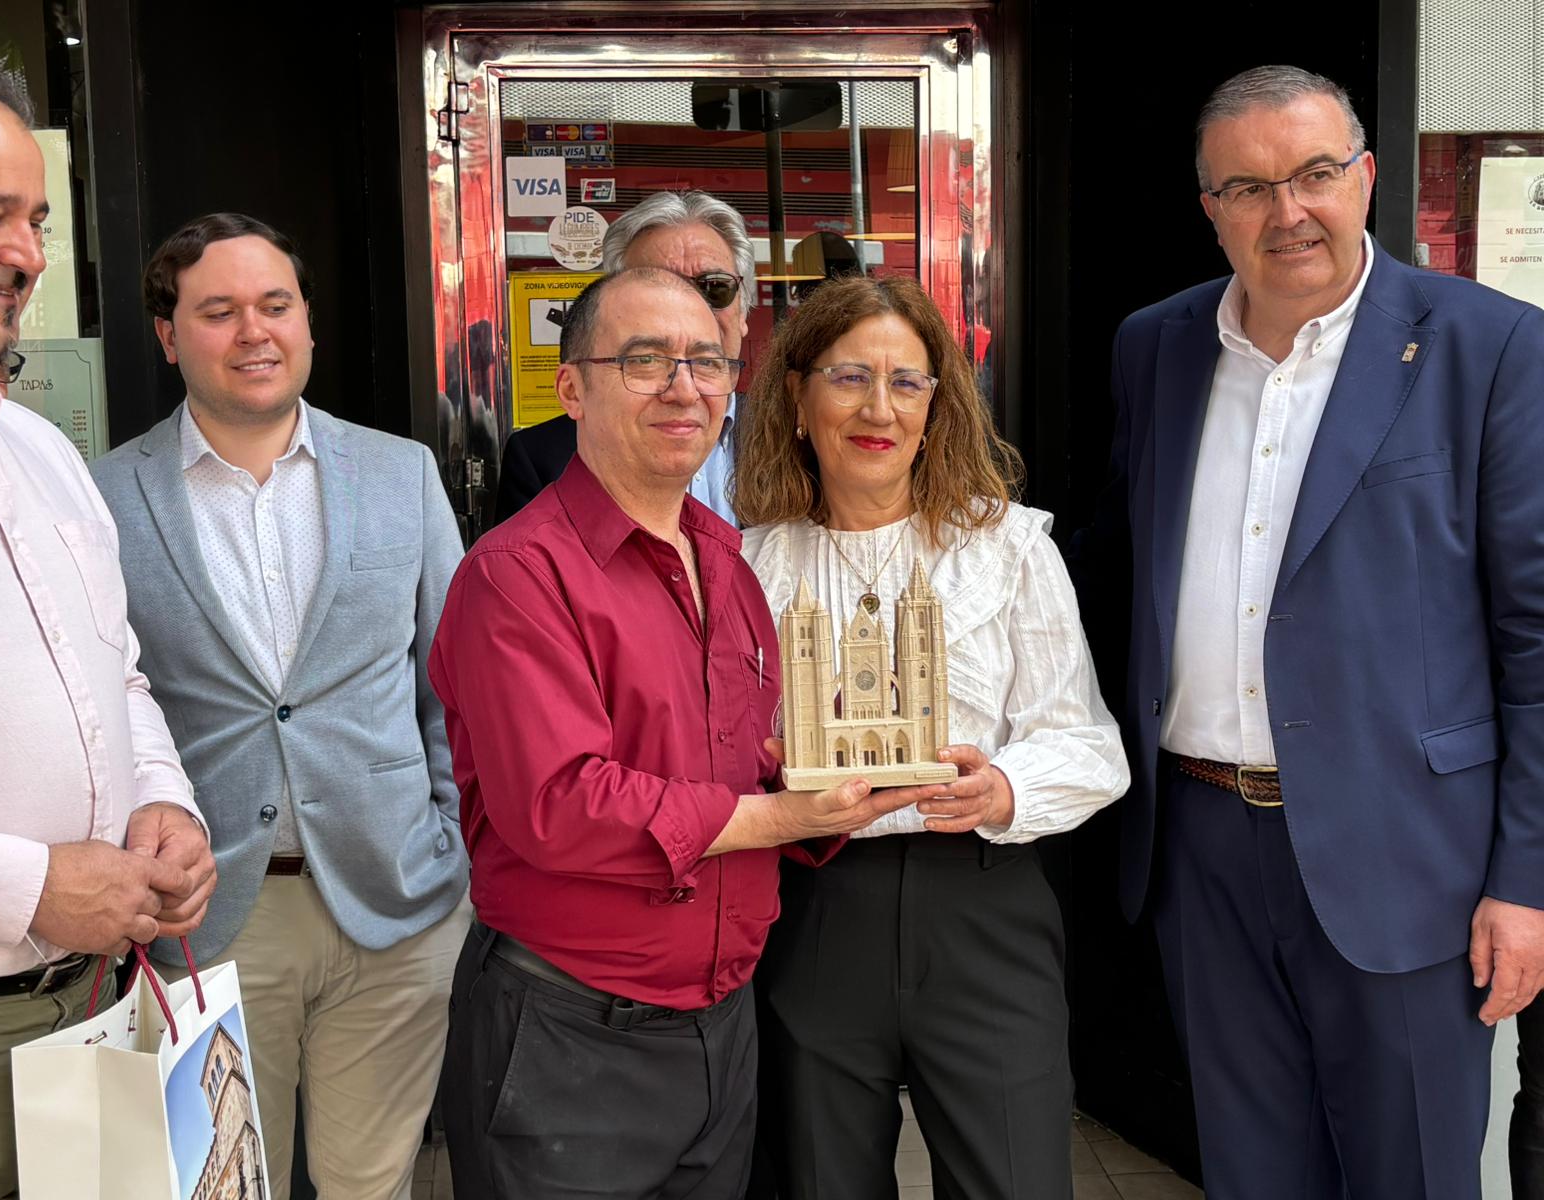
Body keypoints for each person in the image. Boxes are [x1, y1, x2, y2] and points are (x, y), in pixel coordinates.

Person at [1083, 65, 1544, 1199]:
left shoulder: (1487, 347)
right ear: (1210, 209)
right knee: (1250, 1172)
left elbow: (1535, 636)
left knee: (1415, 1174)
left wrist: (1525, 880)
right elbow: (1117, 565)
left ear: (1367, 178)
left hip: (1408, 853)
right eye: (1247, 187)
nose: (1287, 212)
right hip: (1200, 845)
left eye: (1314, 175)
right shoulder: (1156, 345)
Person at [431, 266, 924, 1199]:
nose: (684, 387)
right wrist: (775, 818)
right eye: (645, 360)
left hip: (721, 1028)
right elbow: (558, 804)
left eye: (706, 361)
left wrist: (842, 775)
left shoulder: (727, 561)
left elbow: (734, 761)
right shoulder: (516, 576)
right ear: (571, 387)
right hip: (568, 1033)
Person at [90, 212, 469, 1200]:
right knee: (216, 1188)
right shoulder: (100, 498)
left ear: (308, 324)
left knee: (369, 1186)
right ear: (170, 337)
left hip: (395, 905)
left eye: (275, 305)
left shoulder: (403, 474)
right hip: (206, 919)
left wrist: (452, 837)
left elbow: (456, 685)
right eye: (217, 311)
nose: (253, 331)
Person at [734, 273, 1128, 1199]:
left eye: (908, 382)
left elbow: (1087, 743)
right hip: (813, 911)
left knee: (1016, 1180)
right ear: (795, 397)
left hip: (981, 907)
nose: (880, 409)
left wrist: (1003, 789)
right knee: (821, 1181)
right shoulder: (747, 563)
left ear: (938, 404)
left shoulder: (1011, 549)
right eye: (848, 379)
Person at [0, 53, 212, 1197]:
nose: (32, 257)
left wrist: (163, 801)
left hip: (94, 1022)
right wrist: (27, 889)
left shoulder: (40, 453)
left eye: (39, 219)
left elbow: (121, 680)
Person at [494, 189, 754, 525]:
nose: (692, 309)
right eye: (659, 287)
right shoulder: (541, 458)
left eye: (714, 287)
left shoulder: (798, 437)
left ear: (743, 312)